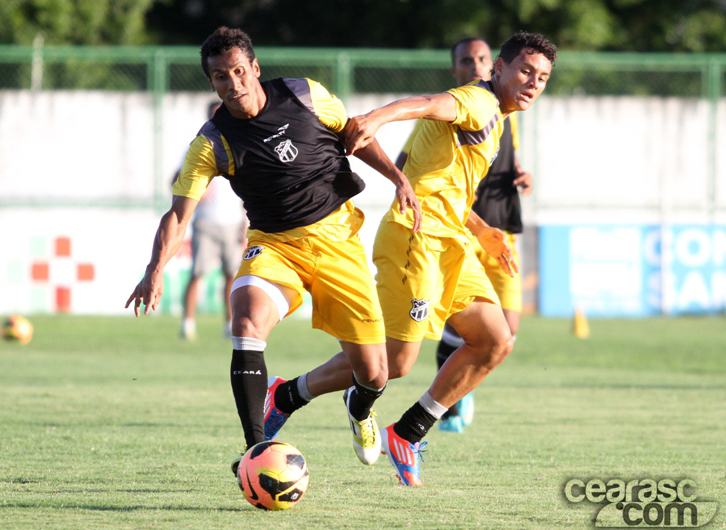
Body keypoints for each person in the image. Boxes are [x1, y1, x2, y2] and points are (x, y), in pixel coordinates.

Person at [125, 27, 421, 474]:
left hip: (338, 240)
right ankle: (256, 451)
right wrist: (155, 268)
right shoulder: (212, 143)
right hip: (274, 245)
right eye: (221, 77)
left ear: (255, 68)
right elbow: (179, 215)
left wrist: (399, 180)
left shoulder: (306, 95)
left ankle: (358, 406)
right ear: (212, 83)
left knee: (376, 373)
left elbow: (356, 135)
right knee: (244, 317)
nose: (233, 83)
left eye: (239, 71)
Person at [265, 31, 556, 486]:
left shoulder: (496, 117)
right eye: (525, 71)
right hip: (415, 241)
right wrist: (377, 117)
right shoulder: (477, 102)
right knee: (394, 364)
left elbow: (447, 191)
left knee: (495, 340)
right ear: (498, 68)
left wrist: (485, 232)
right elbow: (427, 103)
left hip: (452, 242)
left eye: (542, 77)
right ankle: (286, 396)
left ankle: (408, 432)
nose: (534, 82)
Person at [396, 37, 534, 433]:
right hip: (459, 227)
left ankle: (455, 386)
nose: (474, 65)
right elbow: (406, 161)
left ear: (497, 65)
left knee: (507, 331)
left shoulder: (508, 111)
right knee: (468, 330)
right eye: (465, 60)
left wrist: (523, 176)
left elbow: (509, 159)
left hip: (499, 226)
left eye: (481, 58)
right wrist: (405, 190)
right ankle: (449, 399)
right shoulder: (451, 110)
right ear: (454, 69)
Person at [178, 102, 248, 341]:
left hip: (231, 222)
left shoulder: (242, 142)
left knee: (232, 275)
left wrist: (245, 222)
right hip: (206, 222)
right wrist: (193, 186)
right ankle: (187, 323)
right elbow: (175, 181)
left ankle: (229, 324)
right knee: (197, 272)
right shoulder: (200, 145)